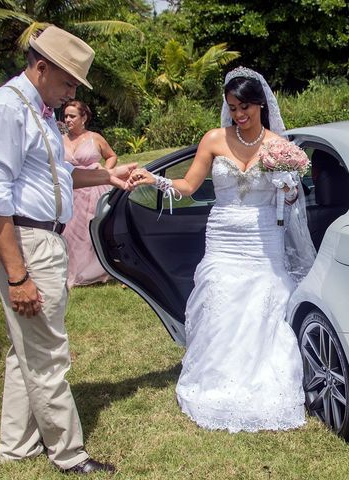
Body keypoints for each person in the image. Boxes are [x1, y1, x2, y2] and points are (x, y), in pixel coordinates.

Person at [0, 25, 136, 474]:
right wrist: (17, 274)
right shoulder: (6, 108)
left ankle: (17, 445)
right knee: (48, 354)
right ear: (41, 67)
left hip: (43, 236)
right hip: (24, 240)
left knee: (25, 347)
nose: (71, 95)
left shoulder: (39, 110)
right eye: (68, 82)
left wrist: (108, 176)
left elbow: (57, 175)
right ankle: (69, 454)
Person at [128, 66, 316, 432]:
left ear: (260, 104)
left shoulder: (281, 147)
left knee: (266, 297)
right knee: (220, 297)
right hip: (223, 236)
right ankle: (215, 378)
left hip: (264, 237)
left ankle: (264, 378)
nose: (238, 115)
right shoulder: (214, 139)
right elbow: (187, 185)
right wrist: (156, 180)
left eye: (244, 107)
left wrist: (287, 184)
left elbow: (291, 199)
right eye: (232, 107)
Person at [62, 100, 116, 286]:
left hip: (93, 189)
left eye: (72, 116)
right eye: (66, 115)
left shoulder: (95, 138)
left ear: (83, 118)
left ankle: (98, 268)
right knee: (70, 231)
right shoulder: (60, 139)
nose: (68, 119)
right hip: (71, 190)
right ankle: (73, 269)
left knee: (90, 228)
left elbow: (111, 156)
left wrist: (104, 173)